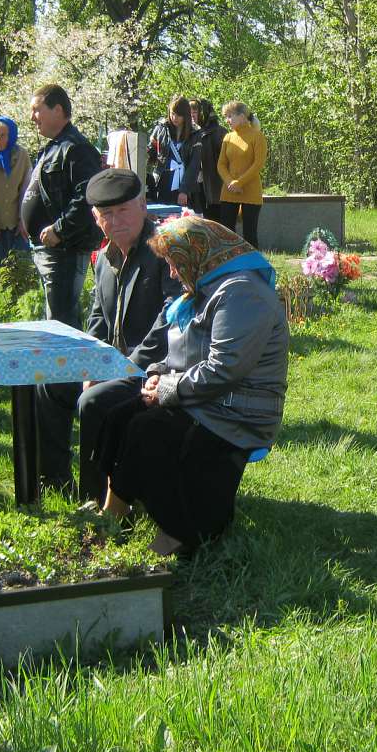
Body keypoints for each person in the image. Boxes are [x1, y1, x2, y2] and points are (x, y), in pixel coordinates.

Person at [100, 215, 288, 556]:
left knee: (148, 430)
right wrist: (158, 374)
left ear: (197, 254)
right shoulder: (208, 286)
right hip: (207, 398)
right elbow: (185, 352)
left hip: (237, 411)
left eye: (174, 263)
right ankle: (116, 511)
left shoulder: (243, 293)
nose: (172, 273)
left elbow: (224, 368)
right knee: (117, 416)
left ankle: (181, 532)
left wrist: (168, 389)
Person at [34, 168, 180, 498]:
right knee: (48, 382)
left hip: (153, 367)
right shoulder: (103, 258)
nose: (115, 221)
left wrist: (121, 368)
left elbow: (172, 318)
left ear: (143, 205)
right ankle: (54, 480)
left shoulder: (165, 250)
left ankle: (97, 496)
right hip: (111, 362)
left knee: (93, 400)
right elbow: (98, 318)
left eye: (123, 211)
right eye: (106, 214)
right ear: (95, 217)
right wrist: (91, 365)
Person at [21, 84, 103, 327]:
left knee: (62, 323)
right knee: (55, 319)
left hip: (65, 250)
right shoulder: (54, 146)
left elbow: (87, 196)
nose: (32, 117)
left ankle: (68, 365)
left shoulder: (76, 148)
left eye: (36, 110)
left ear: (57, 110)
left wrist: (59, 229)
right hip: (51, 250)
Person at [0, 115, 33, 295]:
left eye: (3, 135)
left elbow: (26, 189)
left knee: (20, 271)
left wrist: (22, 219)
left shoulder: (21, 156)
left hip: (15, 223)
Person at [216, 100, 267, 248]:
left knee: (250, 236)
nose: (227, 120)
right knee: (226, 234)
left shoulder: (257, 136)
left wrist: (240, 182)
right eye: (226, 116)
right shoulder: (228, 137)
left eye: (230, 116)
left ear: (243, 116)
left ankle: (253, 268)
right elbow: (221, 164)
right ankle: (228, 266)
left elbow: (258, 164)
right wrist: (230, 182)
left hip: (250, 192)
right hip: (229, 191)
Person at [149, 96, 200, 206]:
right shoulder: (160, 129)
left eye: (178, 114)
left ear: (185, 115)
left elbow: (194, 165)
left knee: (181, 219)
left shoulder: (195, 134)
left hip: (184, 183)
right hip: (162, 181)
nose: (174, 117)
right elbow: (151, 155)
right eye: (172, 113)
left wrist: (184, 190)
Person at [191, 98, 227, 221]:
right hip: (196, 189)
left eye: (195, 111)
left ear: (204, 112)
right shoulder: (191, 133)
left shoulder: (220, 132)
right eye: (189, 111)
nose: (191, 115)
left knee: (218, 226)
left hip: (215, 190)